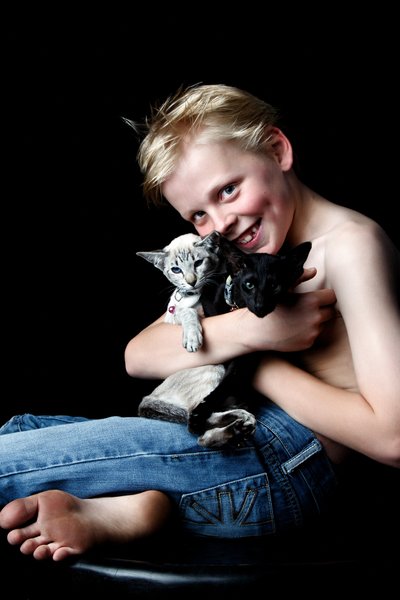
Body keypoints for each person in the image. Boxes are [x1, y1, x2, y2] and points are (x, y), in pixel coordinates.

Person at [1, 83, 399, 562]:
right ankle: (144, 507)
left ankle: (145, 504)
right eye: (198, 215)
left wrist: (259, 367)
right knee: (18, 431)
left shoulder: (351, 247)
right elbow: (139, 354)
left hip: (288, 464)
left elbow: (392, 438)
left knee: (7, 462)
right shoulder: (246, 254)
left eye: (228, 189)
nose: (222, 223)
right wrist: (254, 332)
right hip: (232, 439)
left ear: (277, 149)